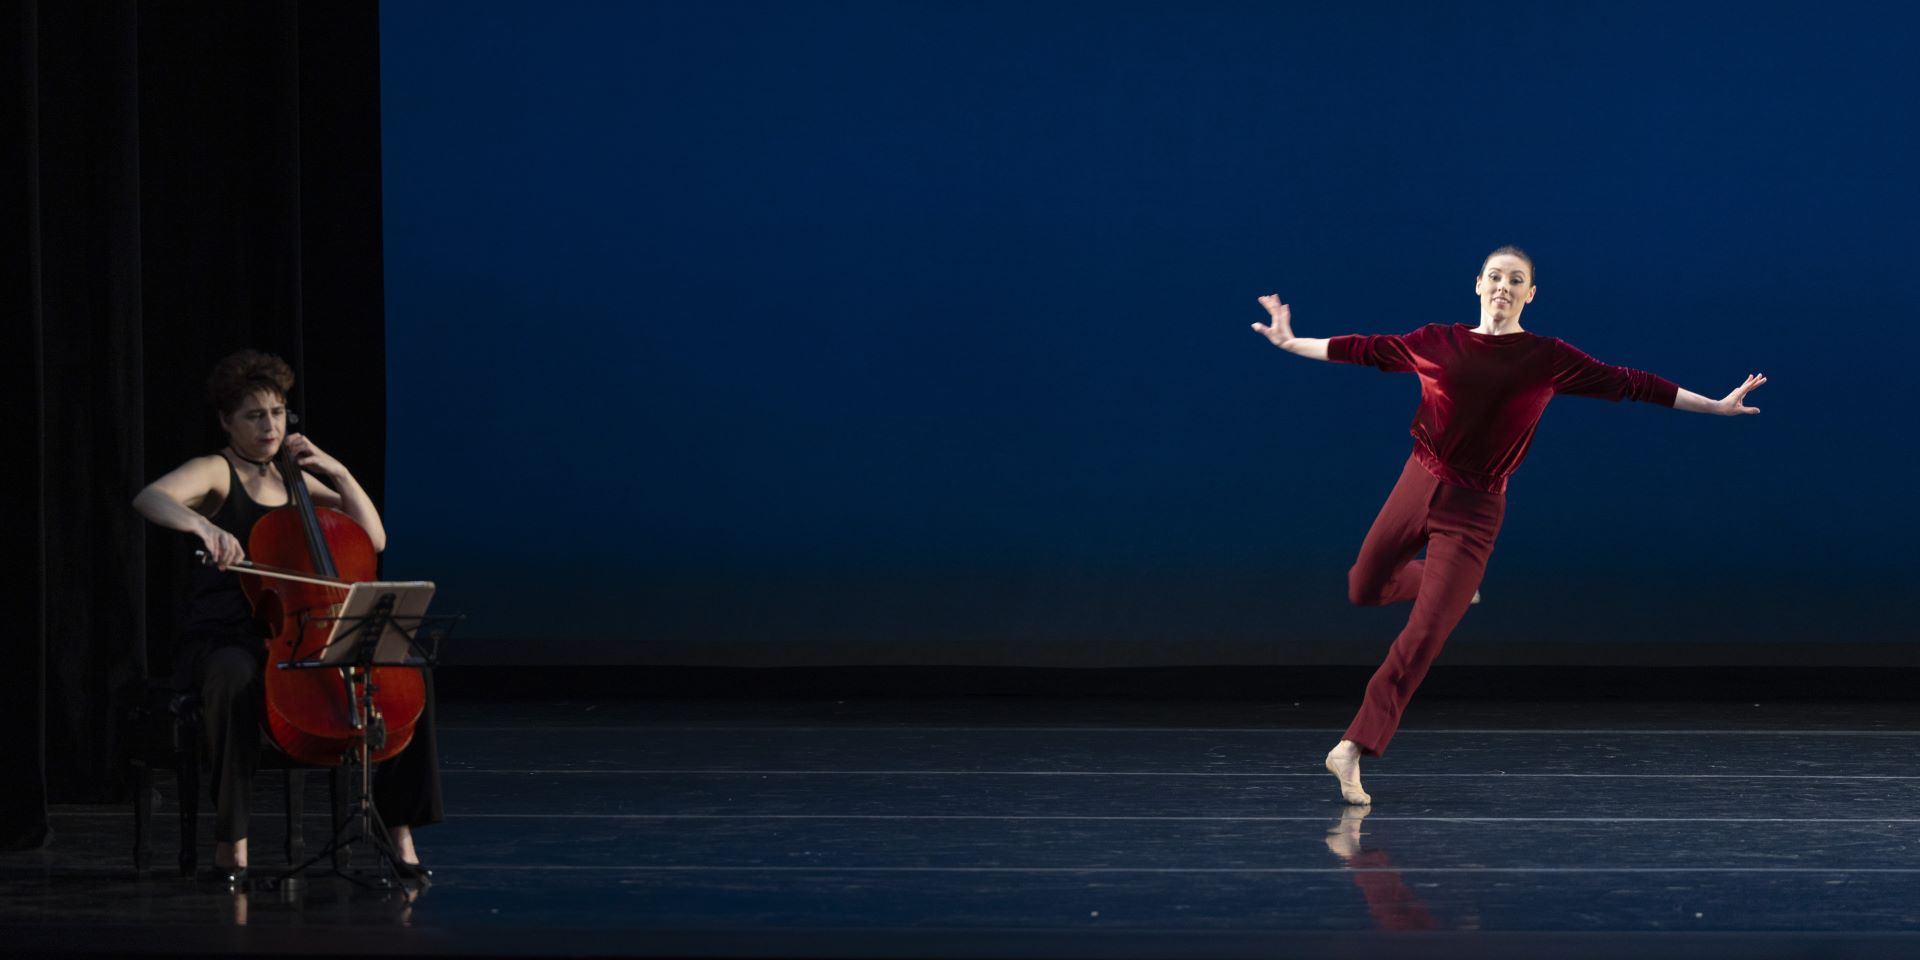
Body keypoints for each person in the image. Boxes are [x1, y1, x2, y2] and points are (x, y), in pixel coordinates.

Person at [1251, 246, 1765, 805]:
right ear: (1477, 284)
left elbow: (1630, 383)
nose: (1503, 286)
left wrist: (1715, 406)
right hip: (1417, 481)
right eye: (1495, 276)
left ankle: (1353, 746)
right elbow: (1361, 350)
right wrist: (1289, 342)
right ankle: (1452, 590)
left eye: (1516, 280)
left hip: (1474, 510)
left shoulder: (1546, 358)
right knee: (1362, 587)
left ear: (1530, 293)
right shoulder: (1435, 341)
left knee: (1424, 635)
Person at [132, 349, 442, 882]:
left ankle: (401, 832)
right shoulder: (217, 471)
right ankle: (233, 842)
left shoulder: (295, 480)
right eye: (255, 415)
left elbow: (374, 537)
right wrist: (203, 527)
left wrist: (339, 472)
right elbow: (150, 498)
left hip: (298, 633)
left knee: (404, 669)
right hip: (227, 635)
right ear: (228, 421)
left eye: (277, 413)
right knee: (233, 679)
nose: (269, 425)